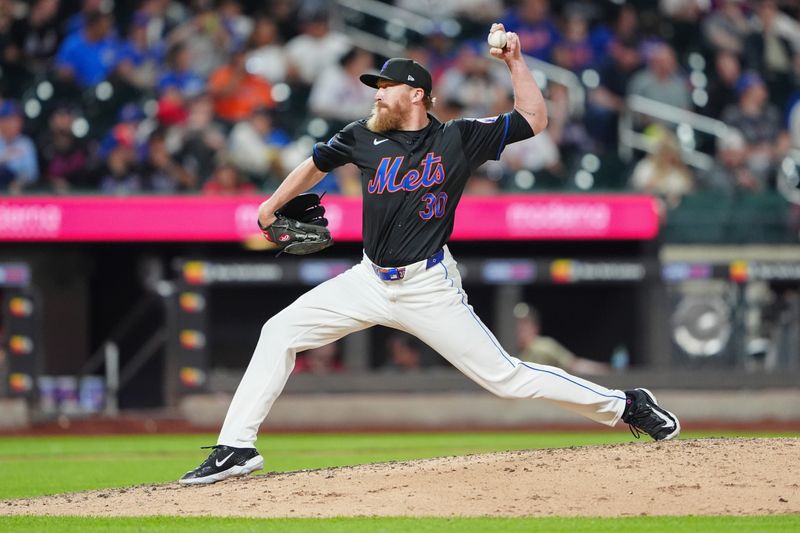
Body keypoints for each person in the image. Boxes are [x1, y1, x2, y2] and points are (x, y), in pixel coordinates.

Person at [179, 23, 681, 486]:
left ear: (416, 94)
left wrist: (514, 64)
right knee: (278, 332)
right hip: (368, 280)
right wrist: (270, 207)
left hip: (427, 285)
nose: (377, 92)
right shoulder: (362, 136)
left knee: (506, 378)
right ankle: (236, 446)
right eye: (375, 85)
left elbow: (534, 118)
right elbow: (315, 164)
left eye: (386, 85)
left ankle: (626, 406)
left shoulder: (456, 137)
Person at [515, 303, 610, 375]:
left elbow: (573, 364)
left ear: (535, 328)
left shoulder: (543, 346)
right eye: (517, 325)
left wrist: (602, 369)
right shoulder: (507, 348)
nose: (520, 329)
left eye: (525, 325)